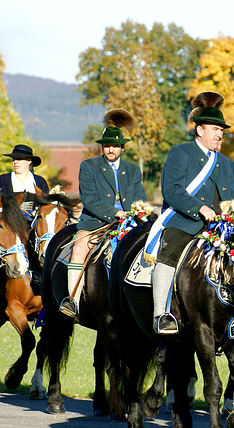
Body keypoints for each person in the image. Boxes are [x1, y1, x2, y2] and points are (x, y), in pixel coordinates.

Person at [149, 91, 234, 335]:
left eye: (222, 131)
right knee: (169, 251)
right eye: (215, 129)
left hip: (221, 229)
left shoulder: (229, 165)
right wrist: (199, 207)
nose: (220, 134)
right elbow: (171, 190)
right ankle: (161, 313)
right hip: (185, 222)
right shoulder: (180, 153)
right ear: (200, 130)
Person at [59, 108, 147, 318]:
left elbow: (139, 197)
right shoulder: (88, 166)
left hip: (130, 222)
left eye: (115, 146)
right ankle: (72, 299)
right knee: (79, 248)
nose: (111, 150)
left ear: (122, 148)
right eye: (107, 145)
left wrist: (138, 212)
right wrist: (116, 214)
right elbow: (89, 199)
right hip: (95, 221)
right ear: (102, 147)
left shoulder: (133, 170)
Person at [0, 144, 50, 216]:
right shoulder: (3, 180)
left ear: (29, 161)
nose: (15, 162)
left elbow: (46, 206)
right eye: (13, 159)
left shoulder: (40, 181)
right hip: (10, 223)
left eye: (19, 159)